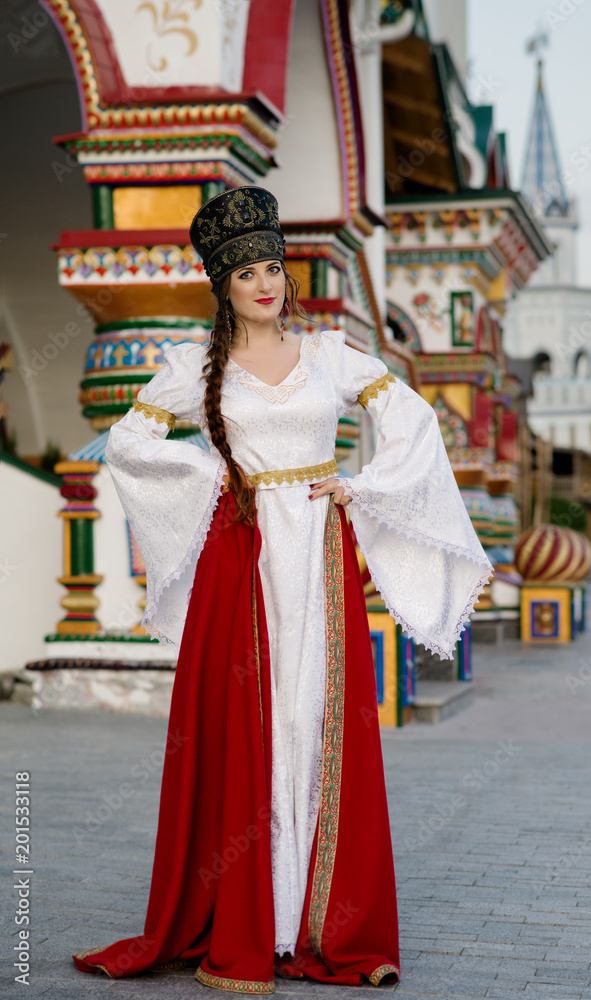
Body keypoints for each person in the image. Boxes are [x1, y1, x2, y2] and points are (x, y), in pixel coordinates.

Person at [72, 186, 492, 993]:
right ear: (223, 286)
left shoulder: (331, 354)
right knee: (251, 724)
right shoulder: (196, 367)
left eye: (273, 268)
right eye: (248, 274)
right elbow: (129, 441)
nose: (266, 284)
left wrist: (362, 486)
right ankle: (248, 924)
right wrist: (211, 477)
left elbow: (413, 415)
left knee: (311, 719)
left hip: (318, 554)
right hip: (244, 557)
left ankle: (319, 926)